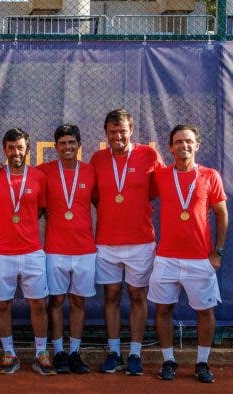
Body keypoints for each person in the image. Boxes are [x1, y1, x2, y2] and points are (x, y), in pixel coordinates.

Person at [150, 125, 228, 383]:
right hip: (166, 258)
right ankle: (169, 360)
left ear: (197, 145)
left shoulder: (210, 175)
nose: (184, 145)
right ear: (170, 147)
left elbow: (221, 214)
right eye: (178, 142)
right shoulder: (161, 175)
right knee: (163, 310)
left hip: (200, 258)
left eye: (189, 141)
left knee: (205, 312)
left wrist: (217, 252)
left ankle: (202, 363)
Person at [89, 109, 162, 375]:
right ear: (106, 134)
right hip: (107, 242)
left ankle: (135, 354)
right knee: (111, 295)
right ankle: (114, 352)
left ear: (131, 130)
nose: (117, 136)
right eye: (112, 131)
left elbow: (157, 190)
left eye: (122, 131)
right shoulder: (98, 159)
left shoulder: (149, 155)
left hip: (141, 241)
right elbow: (95, 195)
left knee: (137, 295)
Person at [0, 128, 52, 375]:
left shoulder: (39, 177)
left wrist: (24, 227)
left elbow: (41, 210)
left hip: (32, 251)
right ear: (4, 149)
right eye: (11, 148)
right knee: (2, 305)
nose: (15, 152)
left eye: (20, 147)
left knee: (38, 304)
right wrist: (2, 229)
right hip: (1, 252)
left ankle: (41, 352)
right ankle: (9, 352)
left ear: (27, 149)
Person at [37, 125, 96, 374]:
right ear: (55, 147)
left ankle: (75, 353)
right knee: (57, 300)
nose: (67, 147)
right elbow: (18, 180)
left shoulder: (91, 171)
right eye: (62, 143)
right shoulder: (43, 172)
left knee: (78, 301)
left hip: (84, 249)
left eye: (72, 142)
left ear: (79, 144)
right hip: (55, 249)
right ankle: (59, 351)